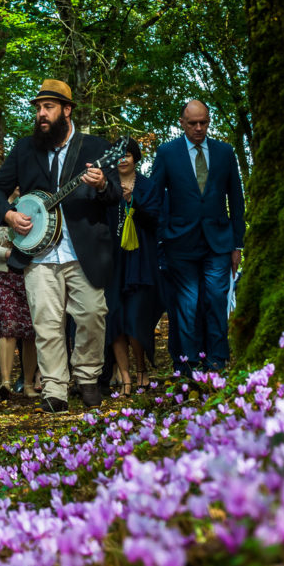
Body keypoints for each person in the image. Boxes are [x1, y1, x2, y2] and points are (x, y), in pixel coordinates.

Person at [0, 79, 122, 413]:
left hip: (82, 251)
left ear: (66, 110)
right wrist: (10, 216)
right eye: (38, 108)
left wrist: (102, 183)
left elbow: (115, 195)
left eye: (48, 108)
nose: (41, 114)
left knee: (91, 316)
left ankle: (87, 376)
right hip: (38, 253)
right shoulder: (25, 148)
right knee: (46, 324)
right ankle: (55, 389)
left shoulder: (95, 147)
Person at [150, 99, 245, 375]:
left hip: (219, 241)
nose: (199, 128)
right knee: (187, 305)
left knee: (216, 299)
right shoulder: (167, 153)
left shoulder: (225, 152)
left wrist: (238, 244)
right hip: (180, 243)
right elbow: (156, 198)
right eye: (193, 123)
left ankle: (216, 361)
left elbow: (236, 201)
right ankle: (189, 363)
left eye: (203, 122)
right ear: (182, 123)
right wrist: (161, 236)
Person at [104, 137, 161, 395]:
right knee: (114, 318)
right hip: (112, 262)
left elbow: (156, 219)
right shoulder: (106, 186)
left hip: (140, 260)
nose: (123, 159)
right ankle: (125, 375)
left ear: (135, 157)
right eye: (118, 154)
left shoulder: (148, 185)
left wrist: (133, 202)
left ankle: (141, 370)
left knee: (136, 319)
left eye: (127, 154)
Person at [0, 181, 40, 399]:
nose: (17, 186)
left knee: (30, 330)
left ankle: (27, 383)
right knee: (9, 326)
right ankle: (5, 383)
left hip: (29, 274)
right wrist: (11, 255)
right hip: (4, 274)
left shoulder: (33, 210)